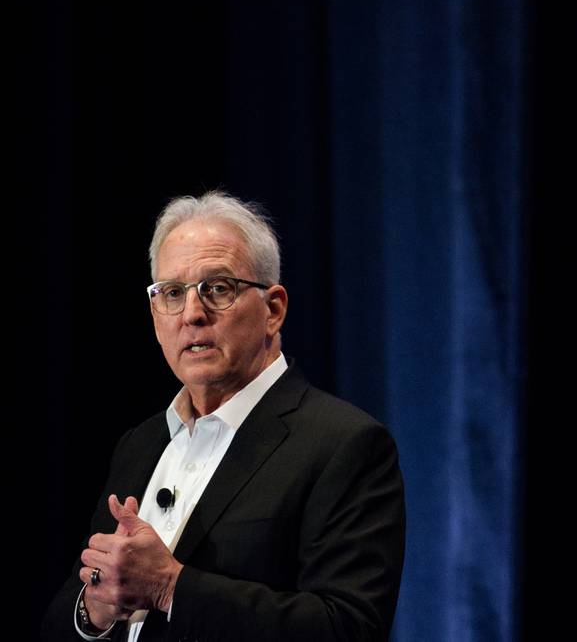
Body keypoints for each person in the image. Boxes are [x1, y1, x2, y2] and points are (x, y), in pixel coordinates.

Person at [41, 191, 405, 642]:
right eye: (172, 293)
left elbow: (348, 628)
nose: (193, 314)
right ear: (155, 315)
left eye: (218, 289)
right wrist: (94, 607)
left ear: (273, 310)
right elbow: (64, 616)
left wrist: (170, 586)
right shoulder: (139, 444)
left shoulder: (345, 445)